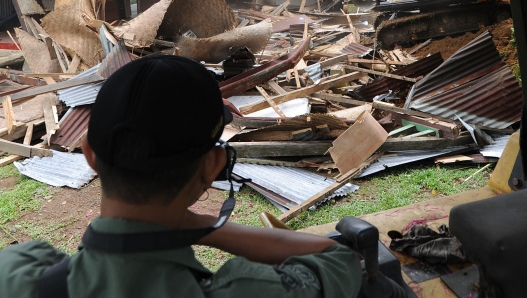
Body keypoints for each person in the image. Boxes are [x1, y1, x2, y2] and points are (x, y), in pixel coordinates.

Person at [0, 55, 362, 298]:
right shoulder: (247, 290)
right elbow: (338, 258)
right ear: (212, 166)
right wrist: (203, 225)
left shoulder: (16, 274)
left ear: (90, 155)